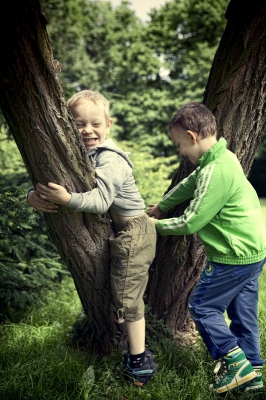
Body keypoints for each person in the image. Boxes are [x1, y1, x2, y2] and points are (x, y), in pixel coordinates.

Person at [27, 89, 157, 387]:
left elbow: (99, 200)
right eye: (79, 124)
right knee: (122, 290)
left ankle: (140, 358)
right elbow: (48, 183)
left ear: (108, 124)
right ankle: (137, 353)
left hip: (135, 231)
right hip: (121, 231)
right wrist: (33, 196)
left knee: (126, 296)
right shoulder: (81, 156)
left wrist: (68, 198)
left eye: (96, 124)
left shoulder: (111, 158)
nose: (88, 130)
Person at [147, 102, 266, 394]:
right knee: (243, 313)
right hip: (253, 252)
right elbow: (190, 184)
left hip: (232, 256)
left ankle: (234, 362)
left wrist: (154, 226)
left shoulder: (215, 172)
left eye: (179, 145)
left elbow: (191, 221)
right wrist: (162, 206)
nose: (180, 152)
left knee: (201, 305)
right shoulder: (223, 158)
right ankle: (252, 374)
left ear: (191, 136)